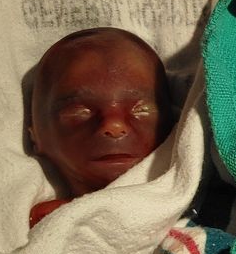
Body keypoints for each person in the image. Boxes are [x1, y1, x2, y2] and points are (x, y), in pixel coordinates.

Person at [27, 27, 173, 227]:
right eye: (80, 112)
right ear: (35, 134)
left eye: (142, 110)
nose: (114, 125)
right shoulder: (44, 220)